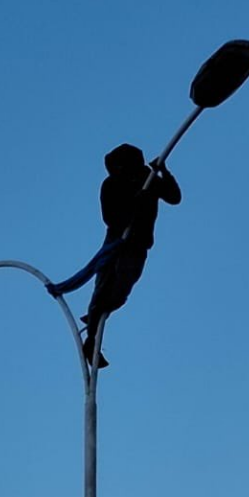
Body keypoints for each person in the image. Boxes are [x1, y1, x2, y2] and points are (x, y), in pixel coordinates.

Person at [81, 143, 181, 368]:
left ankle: (97, 317)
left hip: (138, 245)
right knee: (103, 288)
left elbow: (174, 197)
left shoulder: (149, 177)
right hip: (116, 243)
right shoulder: (111, 184)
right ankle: (92, 339)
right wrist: (138, 201)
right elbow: (110, 217)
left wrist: (163, 170)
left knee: (121, 290)